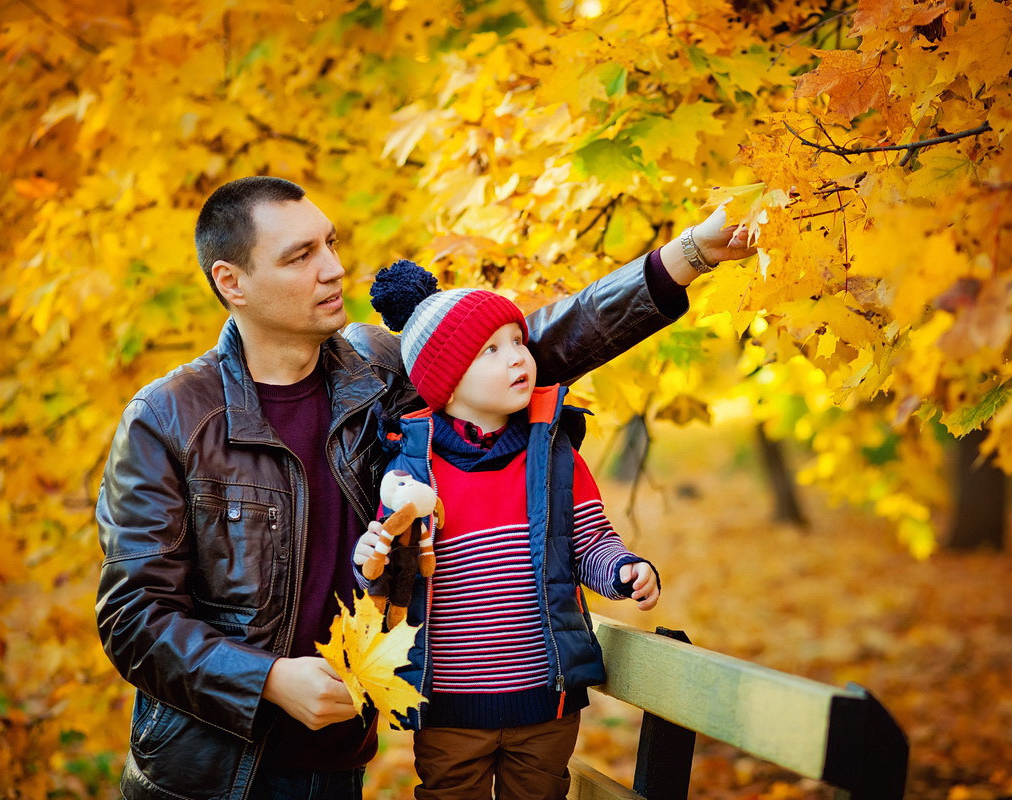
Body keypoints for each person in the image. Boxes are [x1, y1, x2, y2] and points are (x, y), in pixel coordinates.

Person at [94, 175, 753, 800]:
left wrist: (688, 254)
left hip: (336, 758)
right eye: (300, 256)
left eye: (331, 243)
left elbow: (530, 348)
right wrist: (266, 680)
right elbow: (133, 617)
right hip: (207, 775)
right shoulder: (168, 418)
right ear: (231, 281)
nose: (332, 269)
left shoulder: (378, 371)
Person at [354, 260, 662, 800]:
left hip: (545, 698)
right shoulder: (413, 469)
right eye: (490, 350)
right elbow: (388, 566)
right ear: (447, 380)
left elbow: (589, 541)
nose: (518, 356)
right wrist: (371, 561)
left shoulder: (553, 453)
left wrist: (622, 569)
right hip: (449, 706)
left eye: (517, 340)